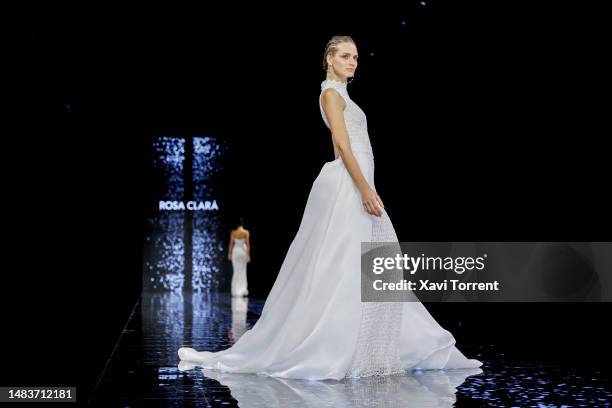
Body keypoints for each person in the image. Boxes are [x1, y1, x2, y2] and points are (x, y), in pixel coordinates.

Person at [178, 35, 482, 380]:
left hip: (356, 182)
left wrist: (365, 183)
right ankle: (338, 345)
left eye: (355, 57)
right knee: (349, 265)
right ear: (329, 59)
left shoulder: (341, 95)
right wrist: (364, 187)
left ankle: (378, 345)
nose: (352, 62)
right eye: (345, 56)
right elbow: (342, 145)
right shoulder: (331, 95)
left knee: (366, 266)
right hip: (351, 185)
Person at [228, 219, 250, 297]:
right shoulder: (246, 232)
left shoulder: (233, 232)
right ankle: (242, 289)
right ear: (242, 224)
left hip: (236, 251)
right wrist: (248, 255)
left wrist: (229, 254)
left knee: (236, 271)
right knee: (243, 271)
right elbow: (248, 245)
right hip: (243, 252)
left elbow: (231, 244)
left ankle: (236, 290)